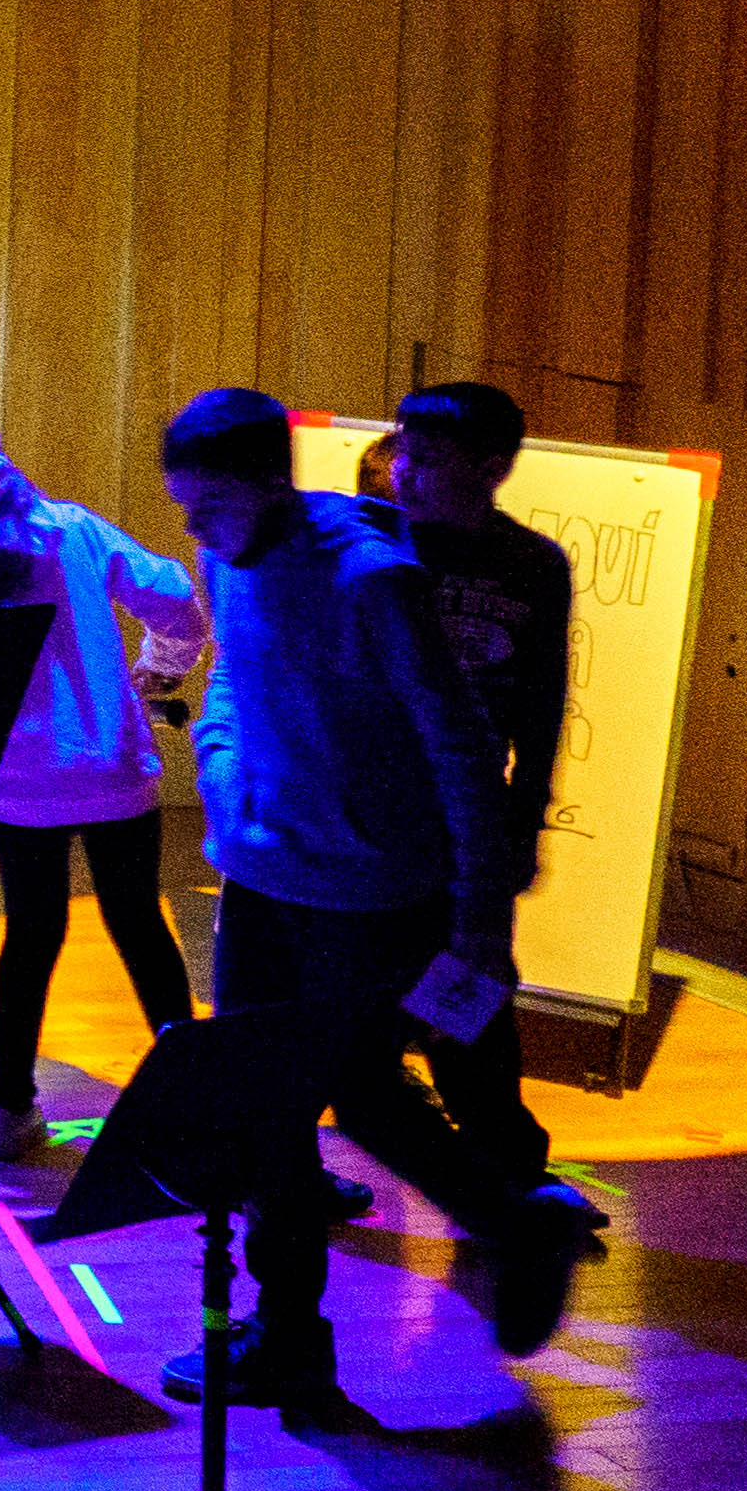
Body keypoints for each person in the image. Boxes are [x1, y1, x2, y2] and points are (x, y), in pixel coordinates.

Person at [155, 388, 600, 1409]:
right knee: (277, 1105)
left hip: (368, 892)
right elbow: (231, 682)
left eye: (208, 505)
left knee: (357, 1095)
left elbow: (464, 744)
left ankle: (508, 1220)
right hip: (263, 879)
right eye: (184, 506)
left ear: (274, 479)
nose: (193, 528)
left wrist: (482, 909)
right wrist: (224, 781)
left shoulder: (373, 576)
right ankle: (291, 1334)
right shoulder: (233, 553)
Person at [0, 405, 205, 1161]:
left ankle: (11, 1112)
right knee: (141, 927)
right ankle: (187, 1102)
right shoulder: (75, 530)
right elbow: (175, 596)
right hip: (113, 768)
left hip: (20, 782)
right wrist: (163, 666)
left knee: (33, 934)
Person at [376, 384, 575, 1195]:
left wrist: (525, 816)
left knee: (476, 989)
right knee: (366, 989)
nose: (404, 473)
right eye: (401, 453)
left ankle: (509, 1162)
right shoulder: (376, 545)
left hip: (473, 821)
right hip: (379, 812)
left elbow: (544, 698)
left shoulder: (532, 563)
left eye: (426, 459)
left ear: (491, 469)